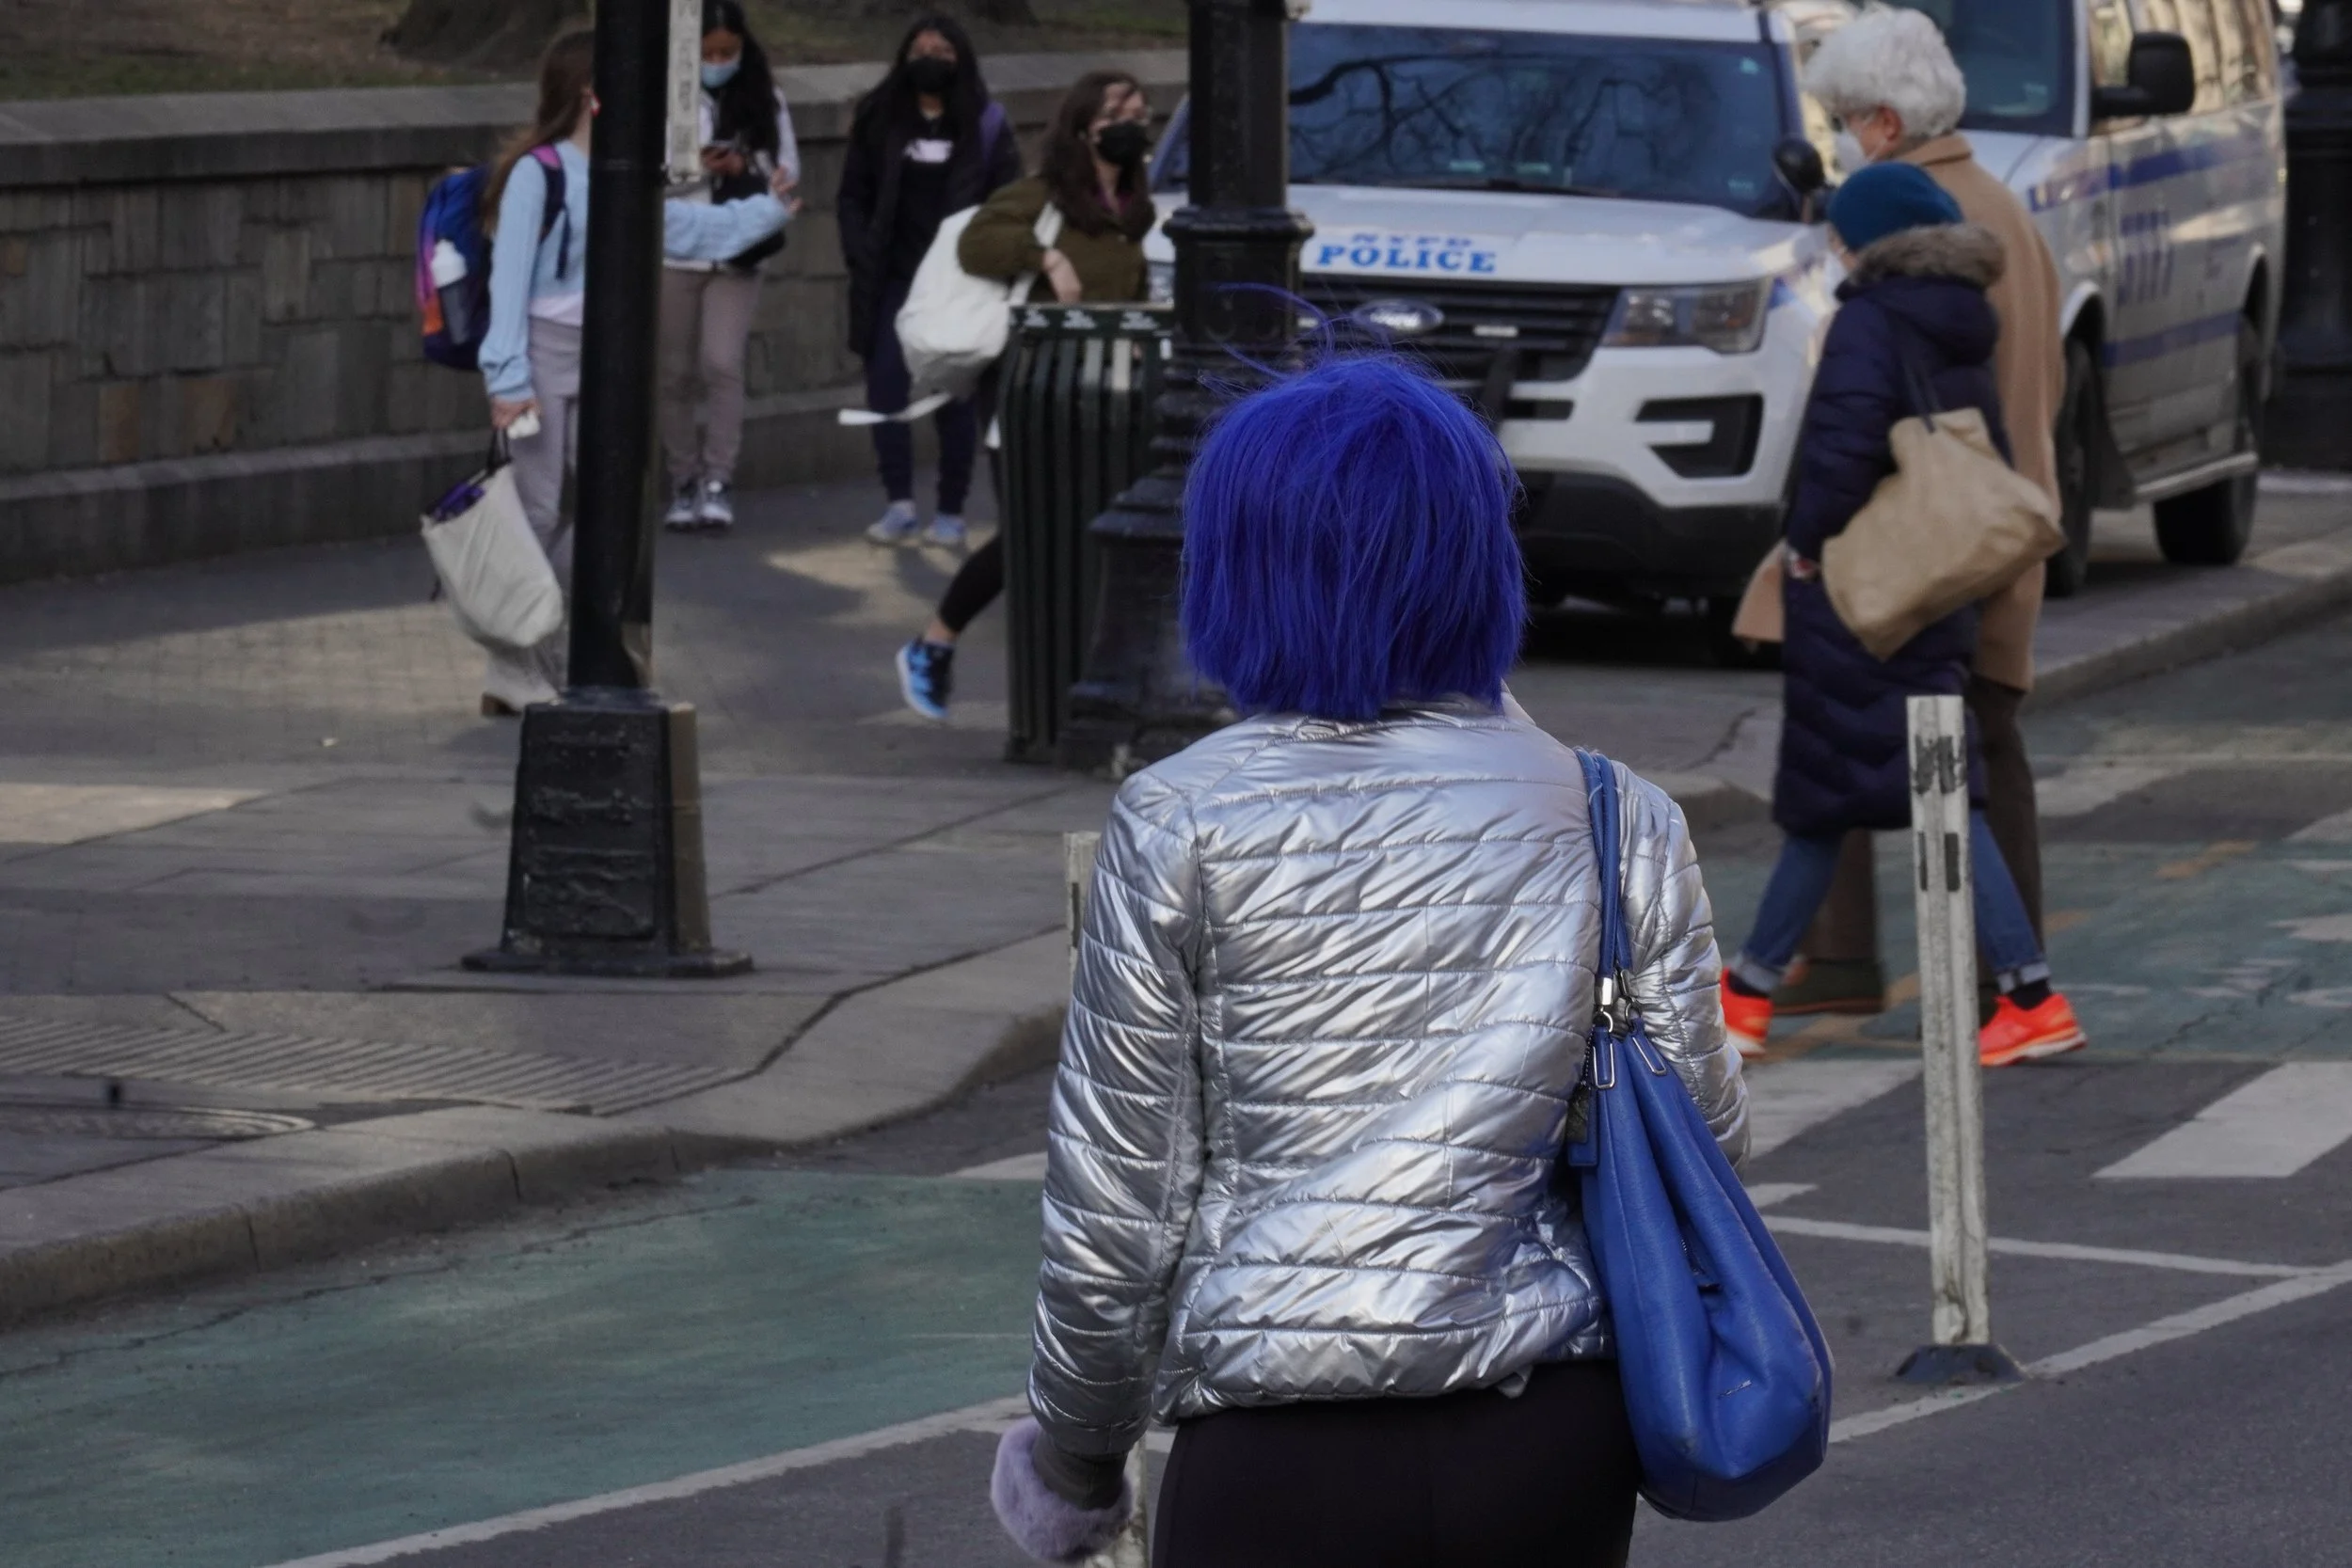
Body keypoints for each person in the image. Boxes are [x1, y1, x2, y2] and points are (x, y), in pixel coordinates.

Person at [984, 355, 1748, 1568]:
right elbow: (1703, 1132)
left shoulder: (1179, 820)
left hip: (1279, 1456)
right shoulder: (1612, 811)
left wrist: (1075, 1458)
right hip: (1547, 1436)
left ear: (1237, 568)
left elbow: (1116, 1209)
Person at [1736, 8, 2067, 1019]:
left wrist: (1811, 538)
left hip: (1924, 542)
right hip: (1978, 526)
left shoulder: (1916, 229)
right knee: (1929, 752)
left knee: (1940, 758)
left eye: (1843, 119)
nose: (1836, 140)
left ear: (1882, 122)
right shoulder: (1987, 209)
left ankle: (1992, 981)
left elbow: (1867, 423)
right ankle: (1947, 973)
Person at [477, 30, 795, 717]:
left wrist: (770, 208)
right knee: (533, 509)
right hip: (539, 352)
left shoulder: (623, 174)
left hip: (605, 353)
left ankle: (547, 645)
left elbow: (686, 232)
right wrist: (507, 377)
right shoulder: (540, 172)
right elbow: (508, 281)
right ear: (594, 94)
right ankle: (511, 663)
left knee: (605, 509)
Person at [891, 71, 1155, 721]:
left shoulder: (1132, 213)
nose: (1131, 121)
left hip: (1102, 393)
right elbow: (981, 240)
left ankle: (1088, 680)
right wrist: (1048, 260)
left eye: (1140, 112)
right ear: (1083, 125)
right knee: (1030, 536)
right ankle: (932, 644)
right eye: (1117, 109)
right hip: (1032, 393)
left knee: (1095, 536)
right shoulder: (1043, 196)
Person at [838, 14, 1022, 549]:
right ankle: (898, 503)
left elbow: (1006, 200)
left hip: (956, 283)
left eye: (942, 50)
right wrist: (859, 251)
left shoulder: (986, 125)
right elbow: (853, 194)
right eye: (919, 48)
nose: (930, 57)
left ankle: (951, 508)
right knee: (887, 388)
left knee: (954, 395)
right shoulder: (879, 120)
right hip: (889, 278)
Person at [658, 0, 803, 535]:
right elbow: (642, 175)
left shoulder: (765, 97)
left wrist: (747, 166)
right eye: (709, 53)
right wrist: (696, 165)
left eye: (729, 52)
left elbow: (788, 171)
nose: (719, 60)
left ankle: (719, 477)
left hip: (737, 248)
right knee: (673, 373)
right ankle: (683, 477)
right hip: (678, 246)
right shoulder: (666, 97)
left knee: (722, 363)